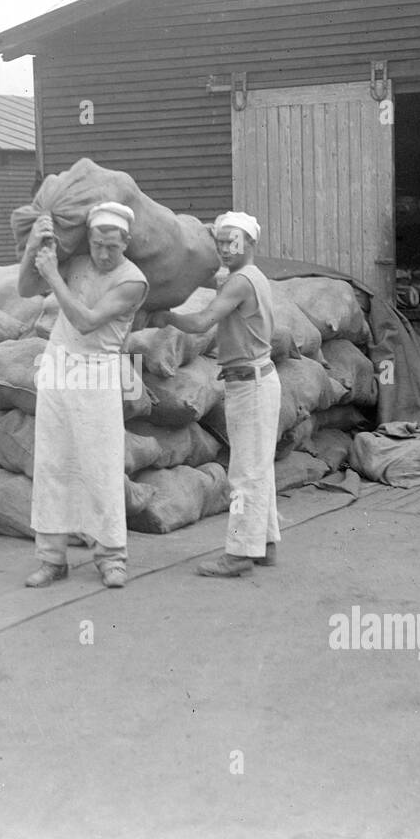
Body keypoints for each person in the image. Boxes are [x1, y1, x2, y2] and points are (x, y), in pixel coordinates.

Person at [18, 202, 149, 589]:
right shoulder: (75, 262)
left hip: (99, 372)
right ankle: (51, 557)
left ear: (126, 241)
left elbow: (86, 321)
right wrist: (34, 248)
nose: (104, 254)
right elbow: (25, 288)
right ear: (89, 238)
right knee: (52, 464)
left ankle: (112, 556)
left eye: (113, 246)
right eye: (97, 244)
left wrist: (52, 276)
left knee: (101, 466)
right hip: (58, 365)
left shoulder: (133, 281)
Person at [152, 211, 280, 577]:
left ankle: (239, 554)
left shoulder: (240, 282)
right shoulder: (248, 277)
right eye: (220, 242)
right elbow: (216, 284)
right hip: (253, 381)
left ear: (251, 243)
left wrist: (168, 316)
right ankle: (265, 543)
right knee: (257, 468)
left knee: (244, 474)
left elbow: (203, 321)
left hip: (251, 385)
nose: (225, 248)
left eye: (232, 241)